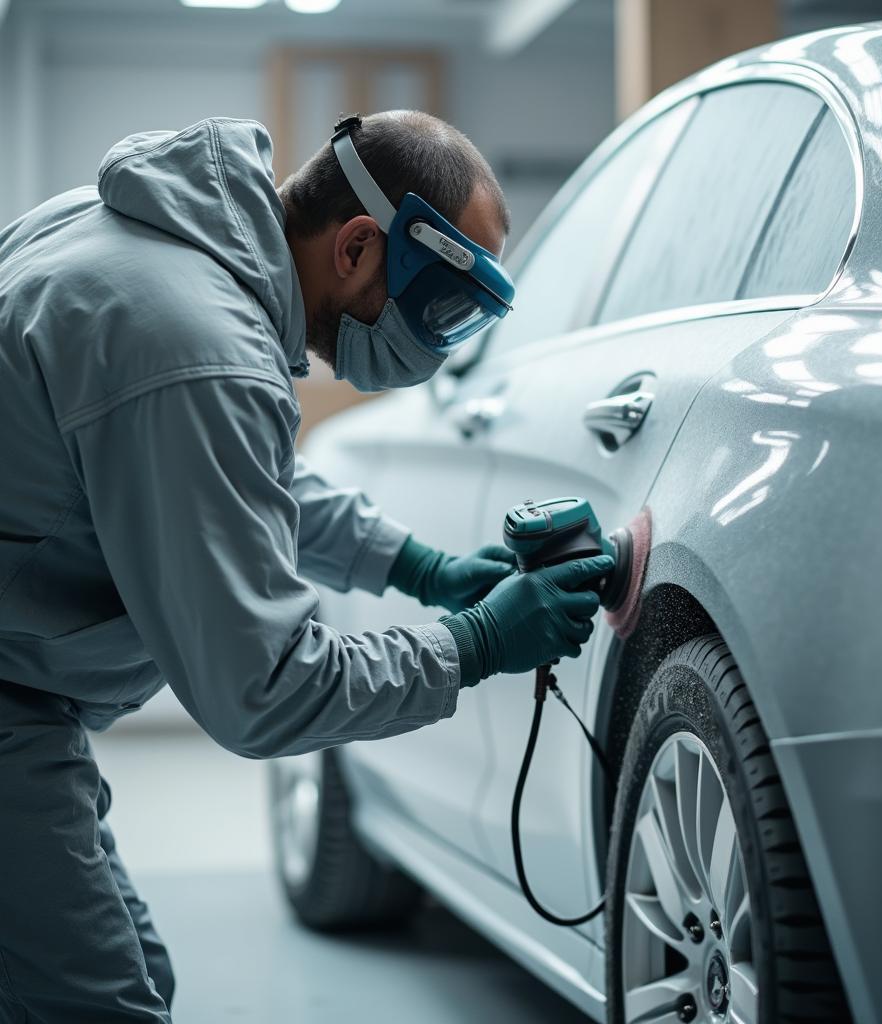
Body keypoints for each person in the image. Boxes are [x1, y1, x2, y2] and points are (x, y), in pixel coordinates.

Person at [0, 110, 612, 1023]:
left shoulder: (146, 244)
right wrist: (475, 643)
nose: (433, 343)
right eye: (438, 306)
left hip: (21, 692)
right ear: (360, 246)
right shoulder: (196, 344)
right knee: (99, 1004)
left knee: (125, 981)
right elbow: (265, 689)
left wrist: (422, 568)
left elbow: (238, 480)